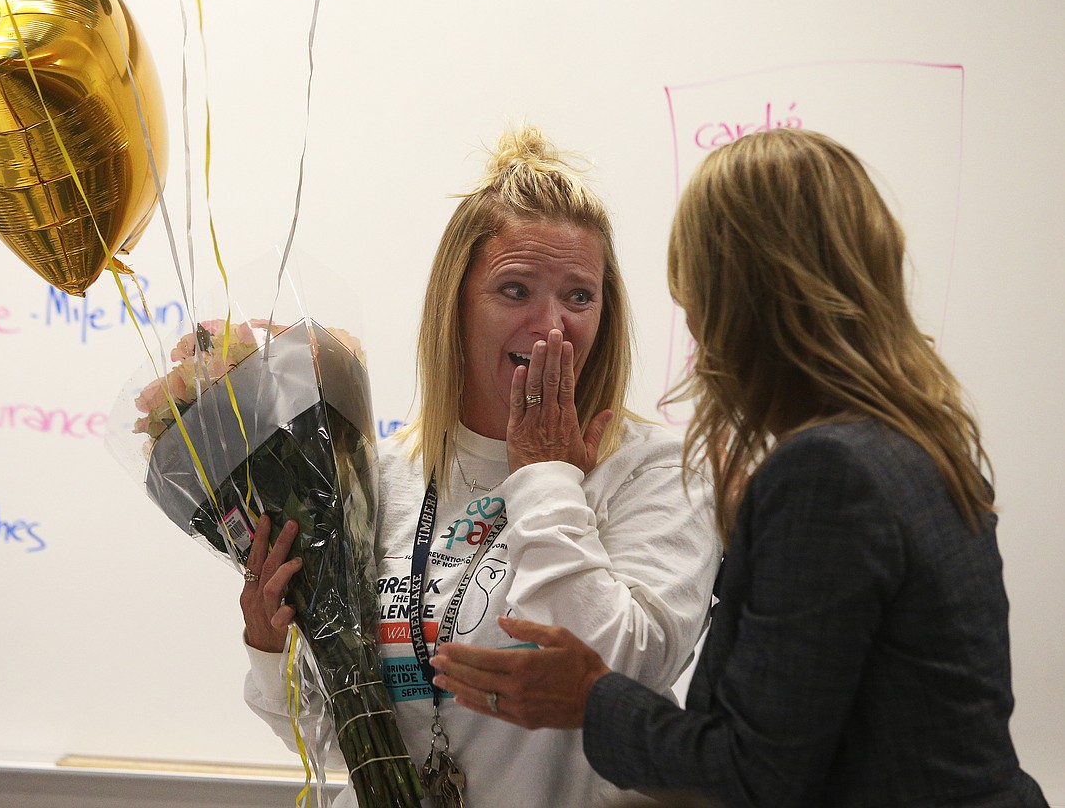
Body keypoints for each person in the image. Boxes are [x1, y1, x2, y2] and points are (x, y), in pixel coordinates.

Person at [429, 128, 1049, 808]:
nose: (694, 326)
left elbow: (755, 773)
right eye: (515, 290)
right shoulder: (915, 445)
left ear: (746, 298)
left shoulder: (824, 474)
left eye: (696, 289)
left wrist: (591, 697)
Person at [239, 124, 722, 808]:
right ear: (455, 310)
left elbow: (620, 679)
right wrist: (268, 645)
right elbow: (340, 734)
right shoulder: (381, 477)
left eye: (579, 296)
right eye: (516, 290)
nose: (552, 326)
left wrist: (548, 478)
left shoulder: (658, 470)